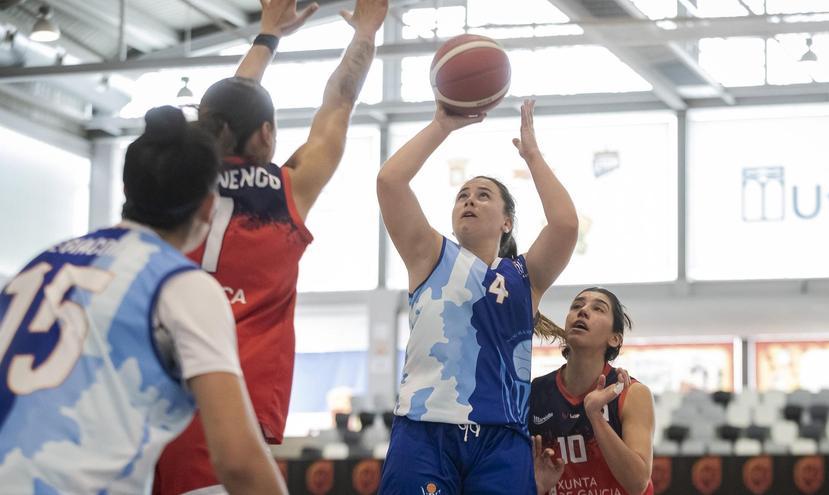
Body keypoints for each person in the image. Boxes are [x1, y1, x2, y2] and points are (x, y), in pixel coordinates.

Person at [154, 0, 388, 493]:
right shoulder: (289, 190)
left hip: (154, 401)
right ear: (266, 133)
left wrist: (267, 36)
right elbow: (338, 104)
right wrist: (365, 33)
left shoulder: (176, 186)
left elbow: (223, 111)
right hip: (234, 414)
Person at [0, 106, 287, 495]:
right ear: (208, 206)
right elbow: (238, 462)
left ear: (126, 190)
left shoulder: (44, 261)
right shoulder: (179, 284)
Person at [377, 99, 579, 493]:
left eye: (483, 195)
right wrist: (441, 125)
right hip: (425, 429)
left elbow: (566, 224)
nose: (469, 199)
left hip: (501, 437)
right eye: (463, 195)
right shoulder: (430, 255)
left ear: (506, 222)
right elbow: (390, 182)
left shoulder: (525, 276)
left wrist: (533, 156)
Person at [529, 288, 655, 495]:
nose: (583, 311)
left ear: (615, 339)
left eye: (598, 308)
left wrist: (596, 417)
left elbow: (637, 483)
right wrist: (535, 488)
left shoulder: (632, 393)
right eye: (577, 306)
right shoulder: (537, 391)